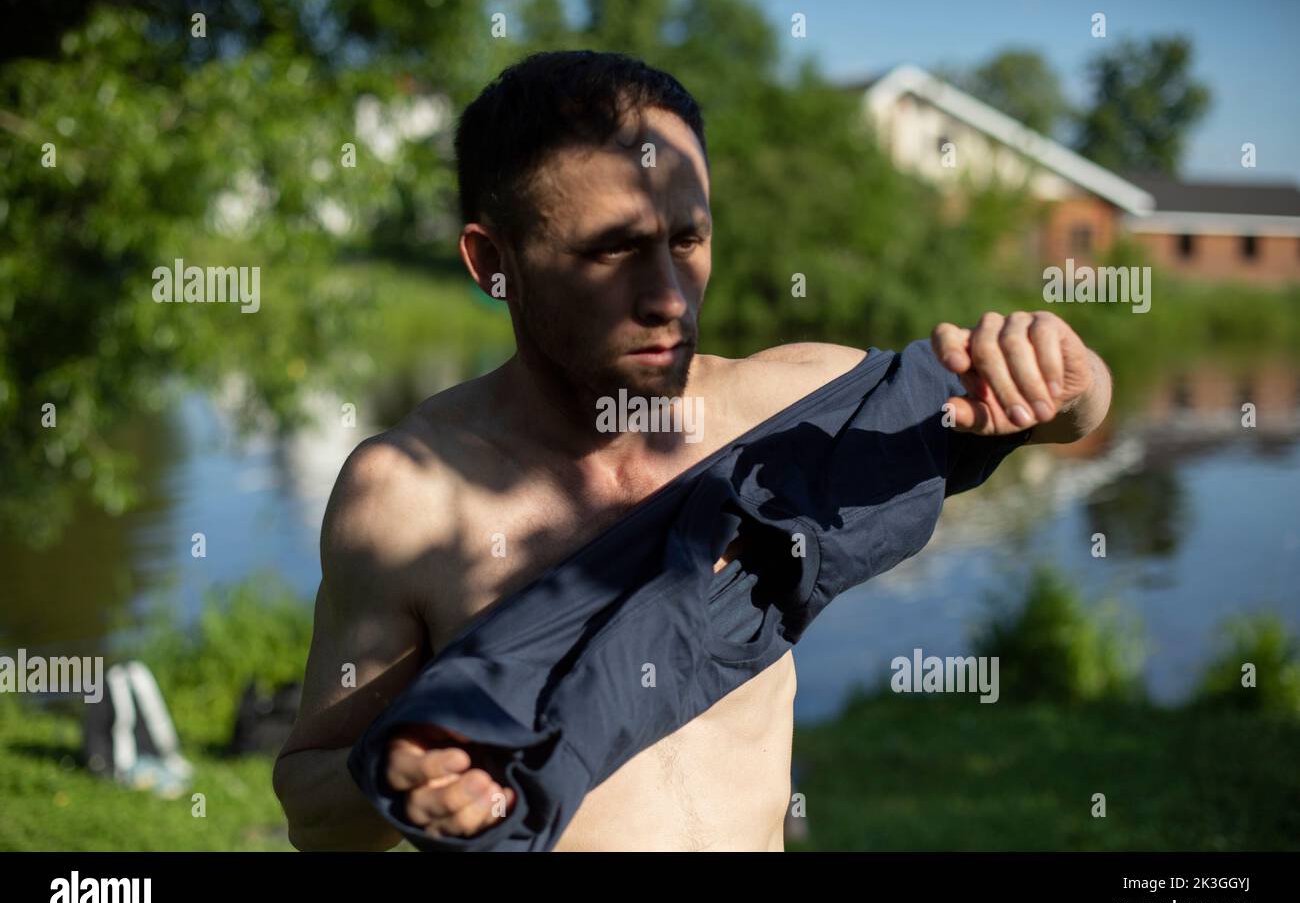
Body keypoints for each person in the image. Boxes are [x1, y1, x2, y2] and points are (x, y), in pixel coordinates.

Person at [272, 50, 1112, 852]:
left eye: (688, 241)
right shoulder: (408, 494)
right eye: (614, 250)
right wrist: (399, 781)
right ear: (494, 264)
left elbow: (1061, 416)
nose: (668, 298)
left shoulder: (787, 410)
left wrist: (1066, 376)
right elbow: (314, 812)